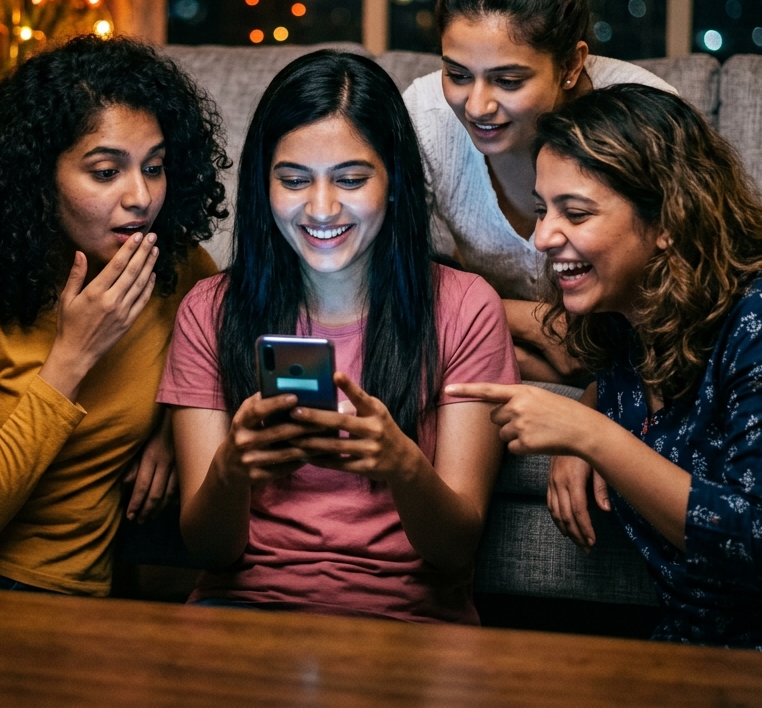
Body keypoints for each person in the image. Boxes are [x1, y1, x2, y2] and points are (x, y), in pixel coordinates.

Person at [446, 84, 762, 652]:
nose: (542, 236)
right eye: (542, 209)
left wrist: (591, 438)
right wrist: (588, 408)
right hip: (683, 650)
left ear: (668, 219)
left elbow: (761, 543)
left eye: (574, 212)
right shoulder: (626, 323)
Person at [157, 50, 518, 624]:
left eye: (350, 179)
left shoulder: (464, 306)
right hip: (244, 611)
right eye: (295, 180)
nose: (322, 208)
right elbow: (207, 550)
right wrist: (231, 466)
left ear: (395, 181)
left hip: (404, 620)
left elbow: (454, 553)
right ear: (263, 185)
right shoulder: (210, 309)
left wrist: (403, 464)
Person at [0, 36, 228, 596]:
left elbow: (224, 353)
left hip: (59, 591)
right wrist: (73, 355)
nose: (141, 197)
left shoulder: (174, 269)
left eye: (154, 167)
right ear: (37, 177)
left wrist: (168, 427)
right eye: (106, 172)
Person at [403, 0, 676, 382]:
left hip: (630, 354)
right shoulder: (423, 116)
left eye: (508, 80)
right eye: (457, 74)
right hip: (489, 337)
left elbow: (680, 290)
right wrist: (535, 322)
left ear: (572, 65)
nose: (477, 105)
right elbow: (385, 272)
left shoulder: (643, 116)